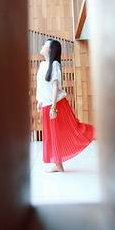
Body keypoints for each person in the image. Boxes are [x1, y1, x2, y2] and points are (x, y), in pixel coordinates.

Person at [35, 39, 96, 172]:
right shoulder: (42, 65)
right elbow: (42, 85)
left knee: (75, 129)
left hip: (57, 105)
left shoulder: (55, 64)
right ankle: (58, 165)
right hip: (47, 105)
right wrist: (40, 101)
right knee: (52, 135)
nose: (42, 46)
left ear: (50, 50)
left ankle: (101, 133)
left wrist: (53, 107)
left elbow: (55, 86)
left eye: (45, 45)